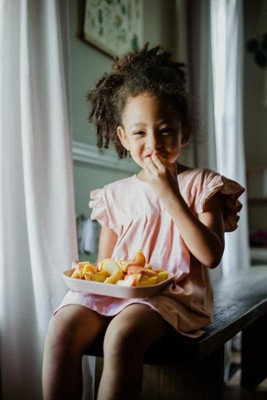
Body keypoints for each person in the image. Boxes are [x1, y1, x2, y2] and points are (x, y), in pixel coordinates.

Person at [42, 44, 244, 400]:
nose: (153, 144)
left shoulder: (202, 184)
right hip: (121, 294)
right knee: (60, 327)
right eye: (139, 133)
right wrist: (90, 277)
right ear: (122, 137)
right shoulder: (114, 194)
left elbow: (210, 256)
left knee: (121, 335)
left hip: (176, 299)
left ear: (184, 132)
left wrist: (169, 193)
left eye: (166, 130)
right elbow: (109, 267)